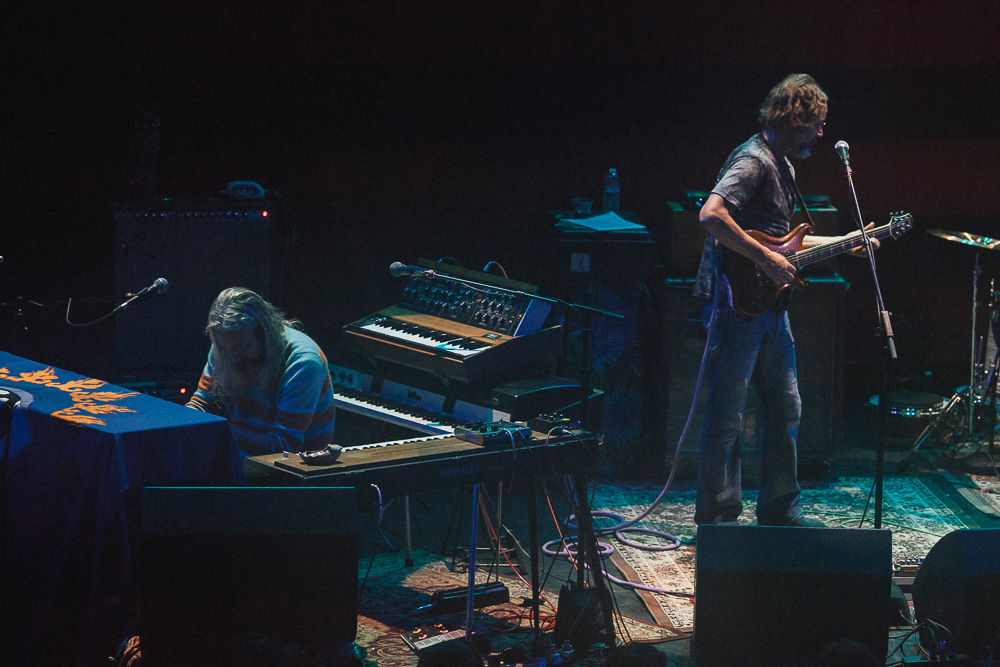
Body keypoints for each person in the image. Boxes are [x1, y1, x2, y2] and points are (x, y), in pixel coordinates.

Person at [693, 74, 876, 527]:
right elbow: (711, 214)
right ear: (795, 118)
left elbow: (785, 245)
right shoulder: (753, 160)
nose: (821, 133)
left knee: (786, 409)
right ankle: (719, 518)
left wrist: (847, 243)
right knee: (728, 417)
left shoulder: (785, 167)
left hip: (772, 309)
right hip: (736, 306)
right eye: (816, 123)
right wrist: (764, 260)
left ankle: (779, 510)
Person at [185, 287, 336, 457]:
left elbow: (283, 447)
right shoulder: (226, 347)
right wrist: (185, 421)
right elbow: (203, 404)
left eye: (243, 347)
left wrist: (219, 429)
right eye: (224, 348)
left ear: (265, 332)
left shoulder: (303, 362)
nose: (233, 357)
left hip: (292, 467)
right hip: (241, 455)